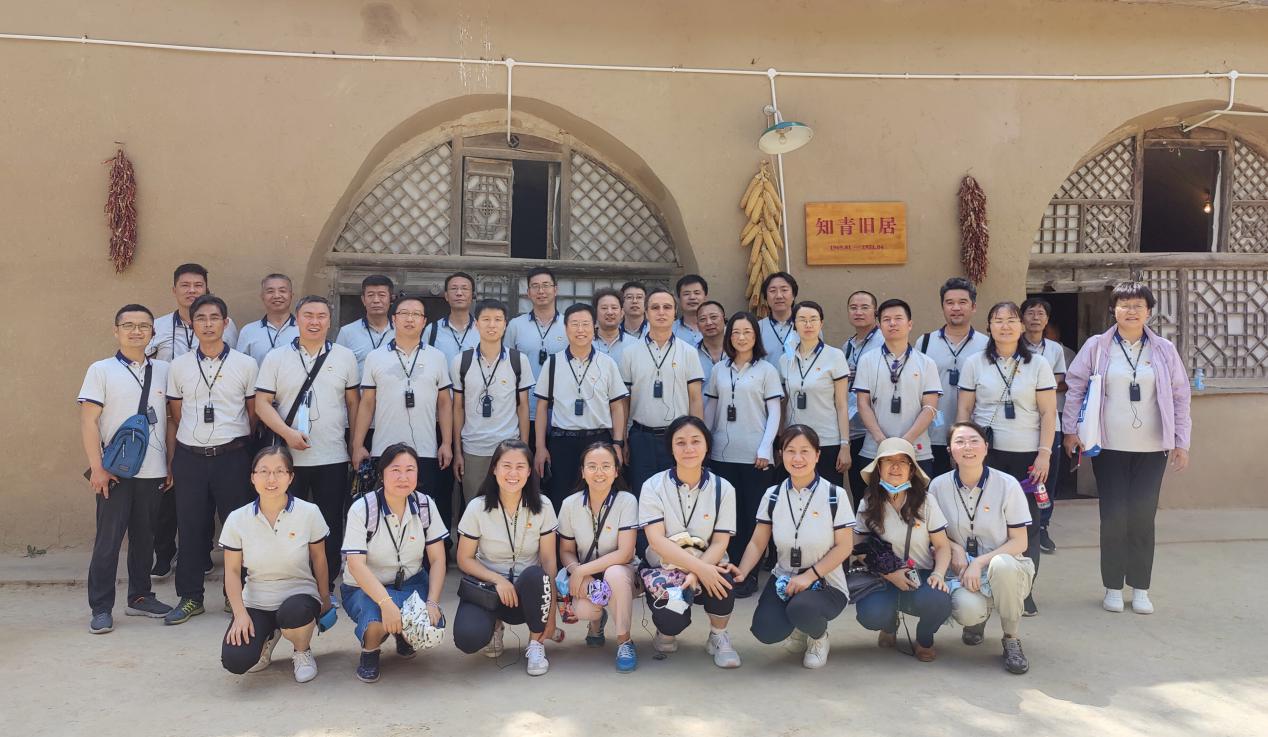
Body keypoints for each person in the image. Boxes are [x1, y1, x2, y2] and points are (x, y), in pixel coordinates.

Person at [1062, 281, 1191, 616]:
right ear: (1113, 310)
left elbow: (1180, 396)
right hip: (1109, 448)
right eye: (1124, 305)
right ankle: (1113, 587)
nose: (1131, 311)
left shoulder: (1163, 349)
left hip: (1153, 449)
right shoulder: (1097, 346)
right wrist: (1070, 430)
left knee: (1143, 517)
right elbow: (1075, 387)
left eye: (1138, 305)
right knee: (1114, 516)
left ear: (1149, 312)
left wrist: (1181, 441)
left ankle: (1141, 588)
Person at [79, 304, 175, 633]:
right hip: (115, 472)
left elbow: (171, 420)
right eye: (129, 325)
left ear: (152, 333)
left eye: (143, 326)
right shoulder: (101, 370)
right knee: (108, 541)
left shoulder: (164, 370)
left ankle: (140, 597)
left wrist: (170, 463)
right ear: (116, 330)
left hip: (153, 470)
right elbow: (89, 421)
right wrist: (97, 468)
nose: (136, 331)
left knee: (145, 538)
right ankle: (101, 607)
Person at [956, 301, 1055, 616]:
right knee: (987, 524)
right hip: (987, 456)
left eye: (1012, 320)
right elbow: (964, 410)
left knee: (1027, 524)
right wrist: (962, 450)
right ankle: (987, 588)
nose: (1005, 326)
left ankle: (1024, 591)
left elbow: (1048, 412)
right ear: (989, 327)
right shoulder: (975, 363)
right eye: (998, 320)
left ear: (1022, 326)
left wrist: (1044, 454)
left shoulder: (1038, 364)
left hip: (1028, 457)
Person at [164, 295, 258, 625]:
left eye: (214, 318)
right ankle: (191, 597)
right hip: (190, 457)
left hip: (232, 456)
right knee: (190, 528)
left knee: (237, 528)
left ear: (225, 323)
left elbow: (252, 413)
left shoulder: (245, 364)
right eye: (200, 318)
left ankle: (237, 596)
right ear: (192, 324)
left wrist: (234, 441)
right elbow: (177, 414)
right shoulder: (179, 366)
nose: (207, 324)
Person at [255, 296, 360, 592]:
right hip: (287, 460)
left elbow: (353, 404)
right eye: (308, 315)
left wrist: (355, 445)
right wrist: (287, 434)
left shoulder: (344, 357)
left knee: (330, 523)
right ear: (297, 319)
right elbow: (262, 404)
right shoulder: (276, 357)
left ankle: (326, 587)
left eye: (321, 316)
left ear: (330, 320)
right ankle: (291, 584)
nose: (315, 322)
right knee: (287, 521)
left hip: (332, 455)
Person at [733, 426, 854, 668]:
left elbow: (844, 547)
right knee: (765, 630)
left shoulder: (835, 495)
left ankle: (818, 636)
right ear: (781, 454)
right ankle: (801, 626)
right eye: (790, 451)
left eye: (805, 451)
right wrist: (742, 573)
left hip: (826, 582)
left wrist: (809, 576)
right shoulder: (772, 495)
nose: (797, 458)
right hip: (785, 579)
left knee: (802, 608)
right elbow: (757, 542)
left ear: (817, 455)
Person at [147, 263, 240, 577]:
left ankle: (203, 554)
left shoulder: (228, 327)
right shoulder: (158, 326)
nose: (191, 291)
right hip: (168, 415)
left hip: (216, 420)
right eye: (185, 286)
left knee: (209, 494)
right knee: (168, 486)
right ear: (174, 290)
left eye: (197, 285)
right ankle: (164, 554)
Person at [930, 422, 1035, 675]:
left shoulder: (1007, 485)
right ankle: (977, 621)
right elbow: (933, 535)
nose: (967, 447)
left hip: (1005, 566)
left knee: (1002, 566)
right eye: (960, 442)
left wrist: (979, 562)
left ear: (986, 448)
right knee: (967, 611)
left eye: (974, 441)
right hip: (961, 570)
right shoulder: (938, 486)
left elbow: (1020, 542)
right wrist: (954, 547)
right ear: (950, 450)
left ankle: (1011, 638)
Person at [219, 446, 331, 683]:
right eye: (263, 471)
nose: (271, 479)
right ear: (252, 477)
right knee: (235, 660)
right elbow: (232, 571)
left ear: (290, 477)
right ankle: (268, 636)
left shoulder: (309, 512)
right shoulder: (237, 518)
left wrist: (324, 597)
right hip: (256, 600)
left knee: (295, 613)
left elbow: (319, 558)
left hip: (299, 594)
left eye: (280, 471)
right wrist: (240, 614)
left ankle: (302, 651)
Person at [340, 444, 449, 682]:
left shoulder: (425, 505)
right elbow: (356, 565)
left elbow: (438, 559)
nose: (403, 477)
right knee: (376, 620)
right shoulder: (363, 508)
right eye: (395, 470)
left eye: (410, 470)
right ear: (382, 474)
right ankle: (370, 651)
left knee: (432, 626)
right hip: (366, 588)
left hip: (410, 583)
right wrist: (386, 604)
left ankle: (402, 634)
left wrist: (432, 602)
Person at [639, 417, 741, 667]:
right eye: (680, 442)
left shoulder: (723, 488)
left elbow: (720, 542)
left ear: (707, 446)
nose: (689, 449)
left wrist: (698, 573)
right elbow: (656, 541)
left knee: (722, 580)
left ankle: (718, 635)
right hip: (666, 568)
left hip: (708, 564)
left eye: (696, 441)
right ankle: (666, 632)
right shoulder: (653, 486)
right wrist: (698, 569)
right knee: (672, 620)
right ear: (671, 448)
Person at [453, 440, 559, 676]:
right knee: (467, 638)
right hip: (488, 588)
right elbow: (464, 559)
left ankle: (536, 644)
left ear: (529, 471)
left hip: (527, 591)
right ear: (494, 469)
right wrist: (498, 580)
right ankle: (494, 626)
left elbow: (549, 561)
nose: (513, 473)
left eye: (520, 467)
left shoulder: (543, 506)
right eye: (506, 466)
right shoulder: (477, 507)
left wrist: (551, 613)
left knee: (536, 574)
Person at [352, 296, 453, 522]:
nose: (410, 319)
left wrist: (446, 442)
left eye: (416, 314)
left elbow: (445, 403)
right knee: (384, 513)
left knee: (423, 512)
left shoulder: (437, 357)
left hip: (425, 449)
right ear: (393, 319)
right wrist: (358, 445)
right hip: (384, 447)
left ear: (424, 321)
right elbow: (367, 403)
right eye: (404, 313)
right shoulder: (375, 357)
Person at [704, 312, 784, 597]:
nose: (741, 337)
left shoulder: (766, 370)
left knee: (753, 517)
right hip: (722, 456)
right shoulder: (719, 369)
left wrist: (765, 447)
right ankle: (730, 569)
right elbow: (712, 409)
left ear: (755, 336)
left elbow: (775, 412)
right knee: (729, 518)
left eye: (747, 332)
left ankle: (748, 574)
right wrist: (705, 442)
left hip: (755, 457)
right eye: (736, 332)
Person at [853, 438, 953, 661]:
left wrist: (938, 574)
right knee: (870, 614)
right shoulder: (869, 501)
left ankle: (924, 638)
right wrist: (889, 573)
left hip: (920, 574)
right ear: (879, 468)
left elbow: (942, 546)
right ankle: (889, 624)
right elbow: (858, 547)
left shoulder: (926, 501)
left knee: (940, 601)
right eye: (888, 461)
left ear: (912, 470)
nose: (895, 467)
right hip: (882, 576)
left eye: (902, 462)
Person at [534, 304, 628, 510]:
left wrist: (617, 443)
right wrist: (540, 447)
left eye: (585, 324)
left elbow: (617, 407)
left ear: (594, 327)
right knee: (560, 500)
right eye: (574, 324)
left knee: (600, 498)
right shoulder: (553, 363)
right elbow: (541, 407)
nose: (580, 330)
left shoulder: (607, 363)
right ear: (565, 328)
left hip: (599, 440)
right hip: (562, 442)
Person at [556, 443, 640, 672]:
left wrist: (581, 571)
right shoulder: (570, 504)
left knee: (614, 574)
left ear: (616, 471)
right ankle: (596, 621)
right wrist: (577, 570)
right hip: (588, 576)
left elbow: (625, 553)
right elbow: (566, 550)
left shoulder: (626, 501)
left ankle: (624, 642)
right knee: (584, 610)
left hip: (621, 572)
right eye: (592, 466)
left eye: (606, 466)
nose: (599, 472)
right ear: (582, 472)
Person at [619, 288, 705, 498]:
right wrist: (622, 440)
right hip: (641, 438)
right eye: (655, 307)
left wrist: (697, 439)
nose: (661, 312)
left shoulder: (688, 352)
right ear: (646, 313)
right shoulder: (630, 353)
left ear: (675, 312)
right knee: (643, 496)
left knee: (677, 497)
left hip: (678, 438)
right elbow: (624, 401)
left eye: (667, 307)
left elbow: (695, 399)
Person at [452, 300, 534, 505]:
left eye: (498, 320)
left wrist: (524, 448)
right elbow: (458, 408)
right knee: (474, 506)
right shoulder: (461, 361)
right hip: (473, 449)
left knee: (510, 505)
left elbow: (523, 406)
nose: (492, 325)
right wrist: (458, 451)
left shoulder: (518, 360)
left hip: (508, 447)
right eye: (486, 319)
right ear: (476, 324)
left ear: (505, 324)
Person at [853, 298, 942, 482]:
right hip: (875, 450)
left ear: (910, 324)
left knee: (916, 500)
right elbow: (863, 404)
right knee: (874, 500)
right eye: (886, 319)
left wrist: (904, 443)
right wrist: (882, 441)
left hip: (917, 451)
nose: (892, 323)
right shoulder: (867, 360)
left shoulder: (926, 363)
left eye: (898, 318)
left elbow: (930, 408)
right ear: (879, 325)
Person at [919, 278, 988, 476]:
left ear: (973, 307)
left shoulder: (987, 345)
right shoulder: (925, 342)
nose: (956, 308)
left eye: (962, 302)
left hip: (972, 436)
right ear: (943, 307)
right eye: (950, 302)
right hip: (932, 434)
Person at [779, 301, 852, 489]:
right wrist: (780, 438)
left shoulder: (835, 356)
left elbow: (842, 404)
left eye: (813, 319)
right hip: (794, 441)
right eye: (802, 319)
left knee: (828, 496)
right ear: (794, 324)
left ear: (821, 323)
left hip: (826, 440)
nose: (808, 324)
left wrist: (845, 445)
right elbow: (784, 403)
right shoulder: (785, 359)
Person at [1021, 297, 1069, 553]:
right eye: (1030, 313)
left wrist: (1039, 386)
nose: (1035, 318)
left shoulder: (1055, 349)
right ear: (1022, 318)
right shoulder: (1013, 345)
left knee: (1046, 478)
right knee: (1021, 475)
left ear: (1047, 320)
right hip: (1021, 422)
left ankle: (1042, 526)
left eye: (1041, 314)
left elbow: (1060, 380)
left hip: (1050, 421)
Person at [505, 267, 569, 447]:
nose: (541, 291)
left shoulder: (569, 324)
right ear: (528, 293)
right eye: (535, 286)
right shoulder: (515, 326)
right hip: (524, 410)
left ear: (555, 290)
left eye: (546, 285)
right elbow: (506, 366)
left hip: (561, 411)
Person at [841, 290, 883, 501]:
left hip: (876, 431)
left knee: (878, 495)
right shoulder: (847, 345)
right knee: (859, 495)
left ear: (875, 311)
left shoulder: (884, 341)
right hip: (854, 430)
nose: (858, 312)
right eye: (853, 308)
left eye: (865, 307)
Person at [335, 275, 395, 374]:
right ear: (363, 300)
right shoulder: (347, 332)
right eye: (370, 295)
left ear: (391, 299)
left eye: (382, 295)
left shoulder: (401, 331)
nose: (376, 300)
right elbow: (338, 368)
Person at [236, 274, 299, 366]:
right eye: (270, 291)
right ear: (262, 296)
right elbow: (240, 367)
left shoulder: (303, 330)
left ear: (291, 295)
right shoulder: (248, 331)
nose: (277, 295)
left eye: (282, 291)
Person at [423, 272, 480, 362]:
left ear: (472, 295)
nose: (459, 293)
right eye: (454, 288)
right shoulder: (432, 330)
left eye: (464, 288)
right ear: (446, 296)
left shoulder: (483, 330)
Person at [758, 272, 798, 367]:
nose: (779, 296)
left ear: (793, 295)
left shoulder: (807, 326)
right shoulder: (758, 328)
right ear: (766, 298)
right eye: (772, 291)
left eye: (784, 290)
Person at [593, 288, 635, 364]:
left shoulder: (634, 344)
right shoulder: (586, 343)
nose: (610, 312)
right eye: (604, 308)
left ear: (622, 313)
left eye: (614, 308)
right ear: (595, 313)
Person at [672, 274, 709, 345]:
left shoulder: (718, 328)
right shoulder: (669, 330)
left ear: (705, 298)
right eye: (686, 294)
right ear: (679, 299)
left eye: (697, 293)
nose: (692, 297)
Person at [695, 300, 727, 380]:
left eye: (713, 317)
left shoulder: (738, 349)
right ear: (697, 325)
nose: (709, 323)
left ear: (724, 319)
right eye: (702, 319)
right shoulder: (691, 353)